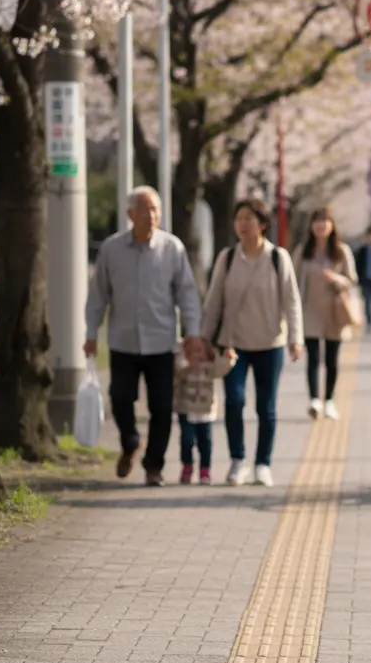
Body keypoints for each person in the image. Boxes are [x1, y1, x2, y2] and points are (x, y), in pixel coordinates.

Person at [84, 186, 203, 486]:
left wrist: (193, 333)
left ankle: (154, 466)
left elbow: (187, 294)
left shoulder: (172, 248)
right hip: (123, 341)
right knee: (120, 400)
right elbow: (98, 295)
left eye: (155, 210)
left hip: (162, 342)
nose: (151, 215)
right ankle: (129, 442)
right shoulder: (111, 249)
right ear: (130, 214)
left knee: (162, 408)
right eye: (145, 209)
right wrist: (90, 333)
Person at [201, 198, 304, 488]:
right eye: (239, 219)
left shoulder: (277, 258)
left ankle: (263, 463)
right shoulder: (228, 257)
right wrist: (205, 338)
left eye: (249, 218)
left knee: (266, 407)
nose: (242, 224)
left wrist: (295, 339)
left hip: (269, 343)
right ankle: (237, 460)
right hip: (233, 343)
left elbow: (292, 301)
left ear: (262, 224)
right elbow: (213, 302)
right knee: (234, 401)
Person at [296, 208, 358, 420]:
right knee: (313, 357)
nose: (320, 225)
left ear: (332, 225)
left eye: (325, 221)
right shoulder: (302, 251)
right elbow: (293, 280)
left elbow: (351, 280)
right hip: (309, 311)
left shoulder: (341, 251)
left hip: (335, 312)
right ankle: (314, 400)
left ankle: (329, 401)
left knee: (332, 359)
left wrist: (335, 279)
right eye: (317, 221)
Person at [174, 346, 237, 485]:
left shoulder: (210, 367)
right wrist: (184, 356)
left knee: (205, 442)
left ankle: (205, 470)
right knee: (187, 440)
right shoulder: (185, 367)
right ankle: (187, 466)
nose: (198, 355)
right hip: (186, 408)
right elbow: (178, 367)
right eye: (194, 351)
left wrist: (228, 358)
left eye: (200, 350)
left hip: (205, 410)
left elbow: (221, 368)